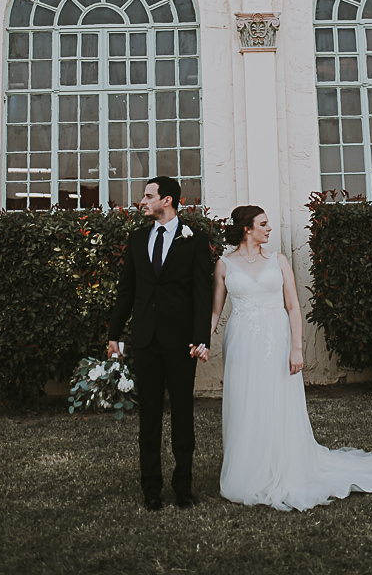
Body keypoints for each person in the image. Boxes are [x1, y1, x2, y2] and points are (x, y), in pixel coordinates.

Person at [210, 205, 372, 511]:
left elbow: (293, 307)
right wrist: (202, 341)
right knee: (246, 403)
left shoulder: (278, 261)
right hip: (241, 343)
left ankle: (283, 464)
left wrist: (297, 347)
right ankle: (250, 469)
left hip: (275, 341)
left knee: (277, 403)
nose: (269, 229)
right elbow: (215, 311)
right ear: (246, 228)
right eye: (263, 224)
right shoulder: (225, 264)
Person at [108, 176, 212, 510]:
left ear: (166, 200)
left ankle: (183, 488)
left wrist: (200, 339)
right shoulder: (137, 238)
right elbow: (128, 290)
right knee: (149, 418)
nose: (142, 200)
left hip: (182, 344)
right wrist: (114, 334)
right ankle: (151, 489)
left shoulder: (195, 240)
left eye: (148, 195)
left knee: (183, 416)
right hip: (146, 341)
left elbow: (202, 294)